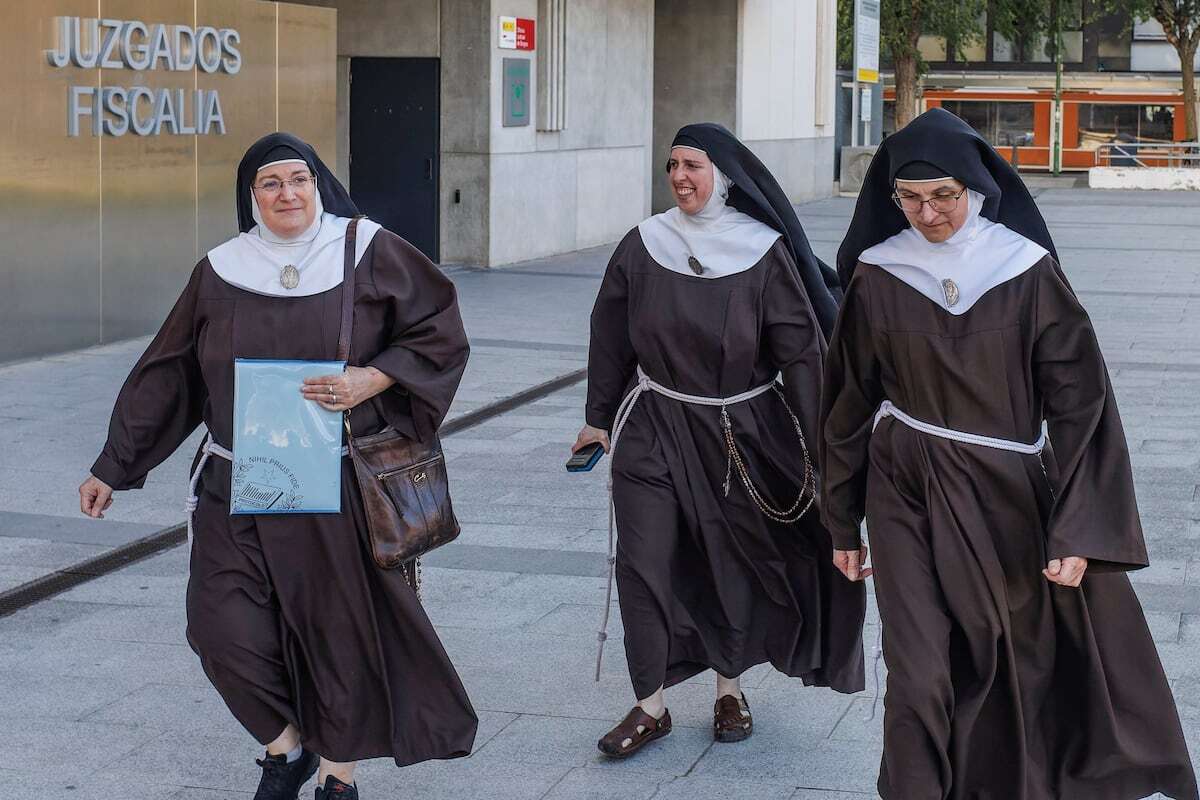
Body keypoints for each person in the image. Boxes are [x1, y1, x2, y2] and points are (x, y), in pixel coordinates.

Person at [78, 132, 477, 800]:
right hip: (236, 480)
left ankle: (337, 775)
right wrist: (112, 466)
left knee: (336, 631)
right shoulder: (222, 269)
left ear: (317, 184)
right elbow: (169, 374)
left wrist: (372, 380)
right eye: (271, 183)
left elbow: (439, 329)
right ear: (251, 196)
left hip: (335, 482)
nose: (287, 194)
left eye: (299, 179)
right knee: (218, 628)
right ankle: (284, 747)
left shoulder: (366, 249)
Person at [821, 107, 1198, 800]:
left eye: (943, 196)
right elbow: (847, 400)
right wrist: (841, 517)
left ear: (975, 188)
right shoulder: (878, 274)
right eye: (909, 199)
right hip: (903, 483)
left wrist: (1079, 526)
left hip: (1006, 489)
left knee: (1008, 658)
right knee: (918, 668)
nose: (927, 214)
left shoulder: (1025, 271)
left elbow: (1083, 406)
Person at [573, 122, 865, 759]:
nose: (679, 176)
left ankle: (729, 689)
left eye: (693, 166)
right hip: (653, 424)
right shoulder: (644, 243)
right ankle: (650, 704)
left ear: (724, 177)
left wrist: (824, 454)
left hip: (739, 433)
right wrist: (599, 415)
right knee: (644, 563)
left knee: (726, 563)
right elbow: (611, 335)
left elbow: (804, 356)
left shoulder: (761, 251)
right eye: (672, 165)